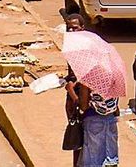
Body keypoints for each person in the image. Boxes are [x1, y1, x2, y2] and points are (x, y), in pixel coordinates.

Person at [78, 76, 120, 167]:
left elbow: (83, 106)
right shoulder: (114, 76)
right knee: (111, 157)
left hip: (93, 120)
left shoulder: (88, 78)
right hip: (111, 120)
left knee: (93, 160)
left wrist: (71, 92)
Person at [61, 12, 86, 167]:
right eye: (68, 28)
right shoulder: (70, 47)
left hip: (80, 97)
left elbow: (85, 76)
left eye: (75, 28)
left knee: (83, 137)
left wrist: (72, 89)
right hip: (73, 98)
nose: (71, 31)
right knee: (76, 136)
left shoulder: (86, 49)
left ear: (82, 28)